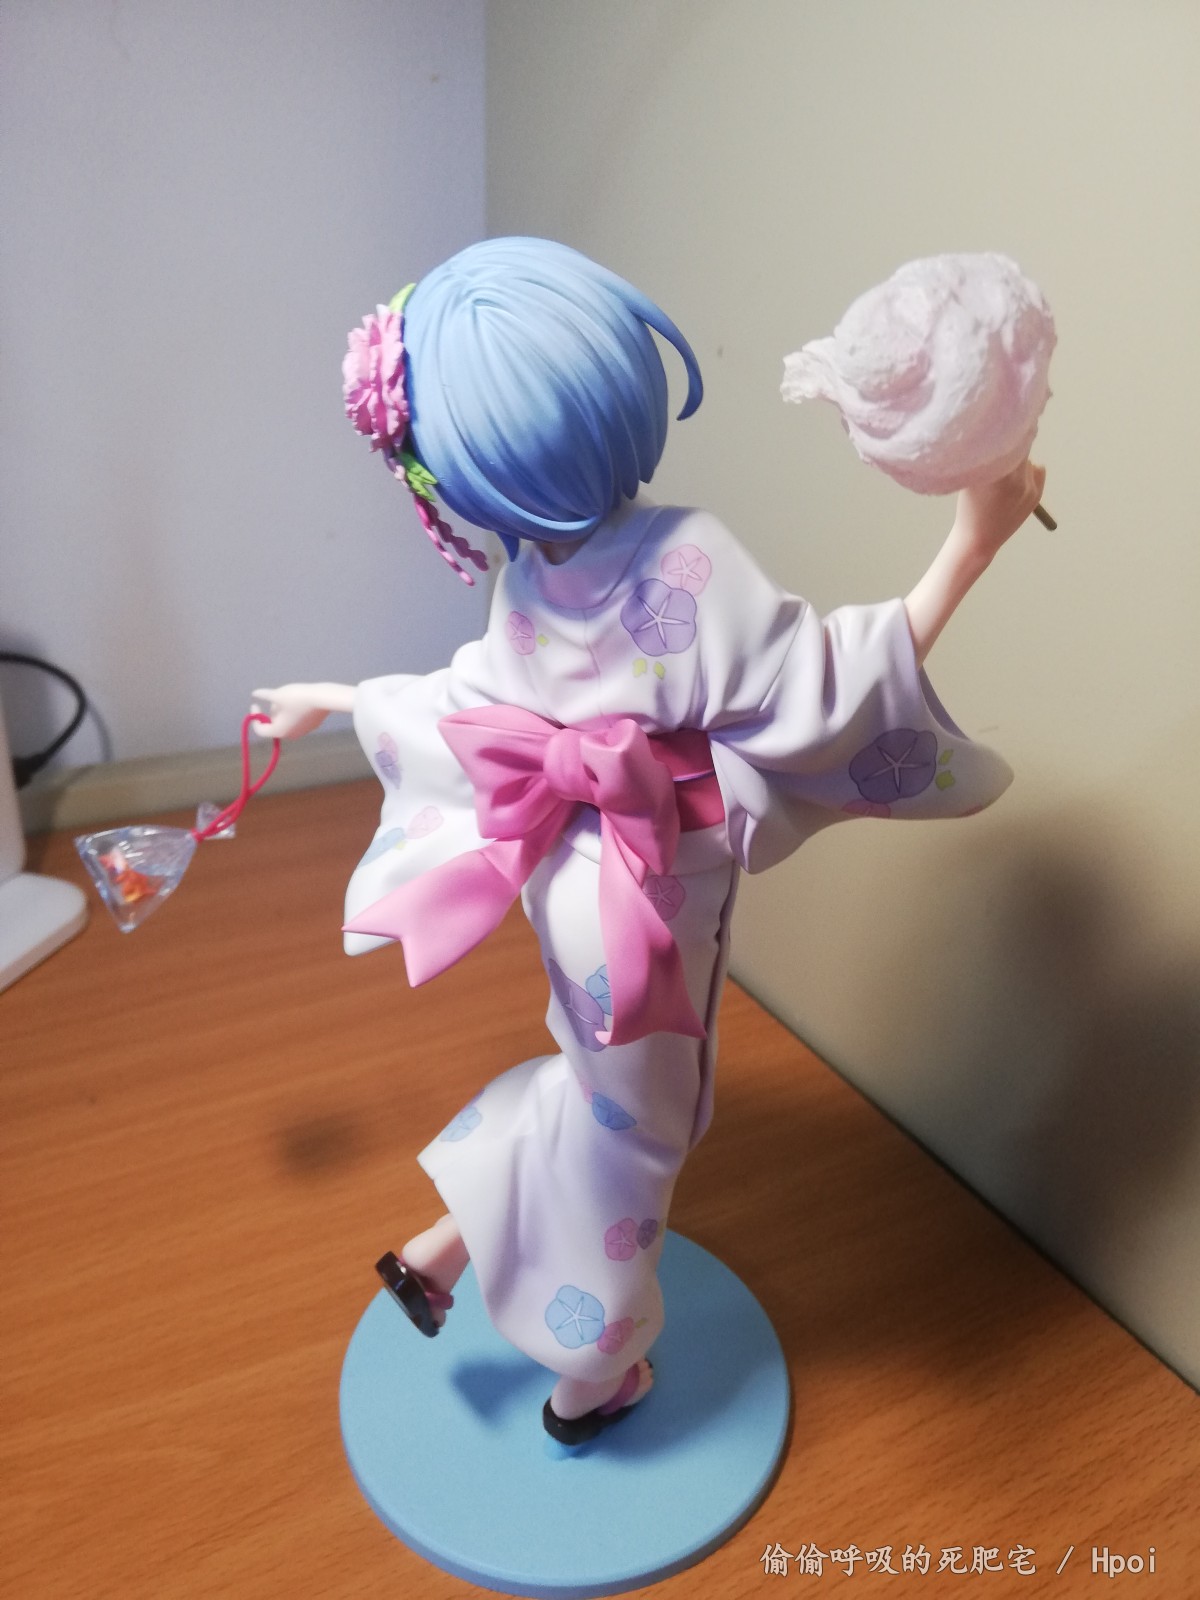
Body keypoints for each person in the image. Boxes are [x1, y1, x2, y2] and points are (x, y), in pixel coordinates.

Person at [253, 237, 1044, 1446]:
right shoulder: (685, 557)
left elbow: (468, 704)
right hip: (649, 899)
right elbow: (829, 691)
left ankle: (443, 1247)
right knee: (646, 1139)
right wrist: (973, 540)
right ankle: (594, 1372)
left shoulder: (528, 576)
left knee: (594, 1090)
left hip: (565, 879)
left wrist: (338, 697)